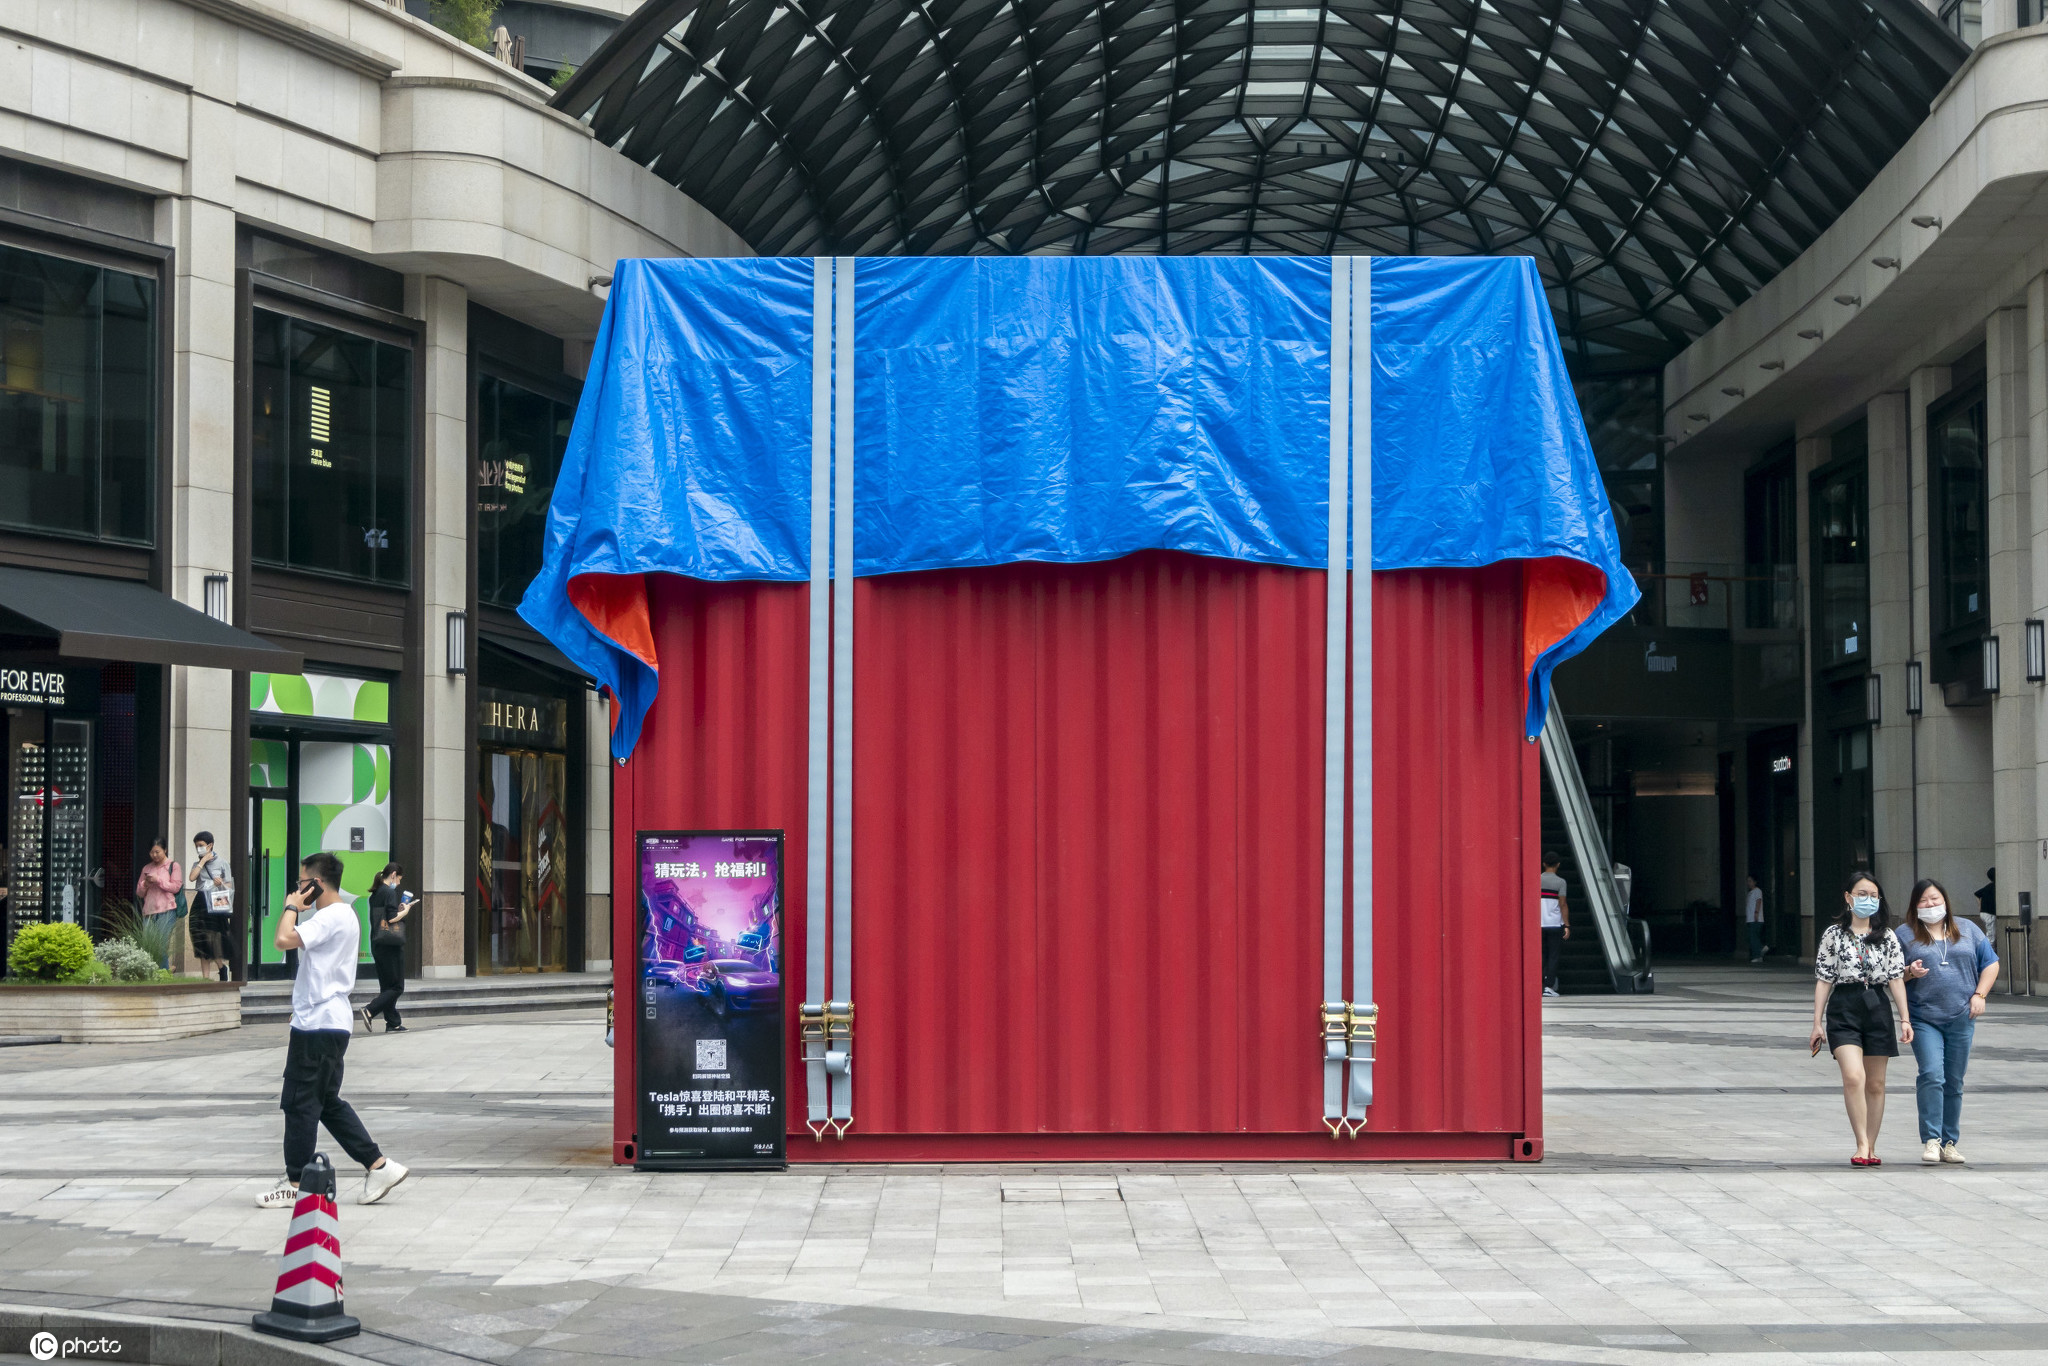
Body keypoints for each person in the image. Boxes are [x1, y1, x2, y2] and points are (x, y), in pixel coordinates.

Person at [256, 851, 409, 1209]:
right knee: (325, 1102)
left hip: (318, 1023)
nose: (297, 889)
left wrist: (292, 907)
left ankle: (295, 1182)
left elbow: (281, 940)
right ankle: (379, 1165)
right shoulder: (341, 915)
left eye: (300, 883)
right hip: (329, 1021)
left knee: (298, 1103)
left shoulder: (332, 916)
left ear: (316, 884)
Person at [1810, 871, 1913, 1166]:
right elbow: (1823, 979)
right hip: (1844, 1005)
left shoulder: (1888, 936)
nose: (1867, 900)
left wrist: (1905, 1019)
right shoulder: (1833, 934)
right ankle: (1861, 1143)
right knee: (1854, 1076)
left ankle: (1872, 1146)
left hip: (1877, 1006)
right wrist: (1817, 1022)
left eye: (1873, 895)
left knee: (1876, 1083)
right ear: (1848, 897)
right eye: (1861, 894)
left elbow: (1895, 979)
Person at [1897, 878, 2000, 1165]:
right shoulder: (1904, 934)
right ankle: (1931, 1139)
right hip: (1923, 1017)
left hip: (1961, 1016)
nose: (1930, 905)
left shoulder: (1967, 930)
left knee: (1954, 1081)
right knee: (1932, 1074)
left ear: (1945, 901)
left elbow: (1991, 963)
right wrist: (1909, 972)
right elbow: (1891, 975)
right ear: (1915, 905)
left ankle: (1950, 1142)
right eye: (1924, 901)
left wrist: (1980, 994)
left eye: (1935, 899)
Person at [363, 863, 413, 1034]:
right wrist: (405, 910)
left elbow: (384, 915)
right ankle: (370, 1009)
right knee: (397, 987)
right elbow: (392, 918)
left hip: (378, 943)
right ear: (393, 875)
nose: (398, 883)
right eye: (399, 878)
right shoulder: (389, 892)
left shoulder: (376, 893)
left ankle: (393, 1022)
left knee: (387, 986)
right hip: (391, 945)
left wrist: (397, 910)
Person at [186, 831, 235, 983]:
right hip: (200, 901)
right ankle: (205, 978)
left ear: (210, 845)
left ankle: (221, 967)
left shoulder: (222, 863)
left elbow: (229, 885)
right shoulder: (198, 864)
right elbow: (192, 878)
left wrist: (219, 883)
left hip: (216, 901)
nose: (198, 849)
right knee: (200, 938)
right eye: (196, 846)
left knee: (212, 939)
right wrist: (202, 862)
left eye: (201, 846)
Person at [134, 838, 183, 970]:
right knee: (148, 945)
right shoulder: (147, 868)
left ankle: (163, 973)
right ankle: (159, 973)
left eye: (157, 852)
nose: (154, 855)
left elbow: (176, 887)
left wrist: (158, 880)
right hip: (149, 911)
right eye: (152, 852)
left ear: (165, 850)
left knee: (161, 946)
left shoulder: (173, 866)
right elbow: (139, 892)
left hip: (166, 911)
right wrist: (146, 884)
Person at [1539, 851, 1570, 998]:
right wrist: (1566, 925)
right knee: (1553, 955)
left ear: (1544, 864)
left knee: (1540, 955)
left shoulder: (1536, 880)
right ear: (1558, 864)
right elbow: (1562, 904)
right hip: (1554, 924)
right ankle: (1548, 986)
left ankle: (1536, 983)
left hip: (1538, 924)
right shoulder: (1560, 882)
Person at [1744, 874, 1768, 964]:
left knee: (1753, 937)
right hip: (1750, 919)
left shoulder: (1757, 891)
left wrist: (1756, 913)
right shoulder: (1750, 892)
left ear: (1755, 882)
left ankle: (1757, 954)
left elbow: (1758, 901)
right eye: (1748, 881)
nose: (1748, 883)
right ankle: (1760, 951)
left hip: (1755, 918)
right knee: (1753, 937)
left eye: (1750, 881)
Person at [1975, 868, 1997, 936]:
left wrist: (1980, 906)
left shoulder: (1987, 887)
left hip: (1983, 912)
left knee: (1990, 932)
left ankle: (1988, 946)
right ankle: (1988, 947)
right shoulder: (1995, 887)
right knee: (1991, 935)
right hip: (1990, 913)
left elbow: (1976, 894)